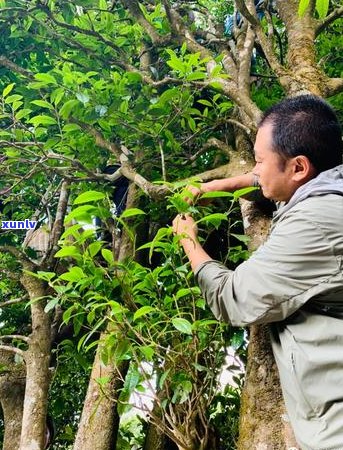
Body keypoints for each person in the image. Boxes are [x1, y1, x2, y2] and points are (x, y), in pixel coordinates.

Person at [172, 94, 343, 450]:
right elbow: (272, 186)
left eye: (260, 160)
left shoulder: (315, 223)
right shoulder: (328, 187)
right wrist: (212, 187)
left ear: (298, 167)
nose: (256, 170)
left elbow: (232, 298)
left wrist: (189, 241)